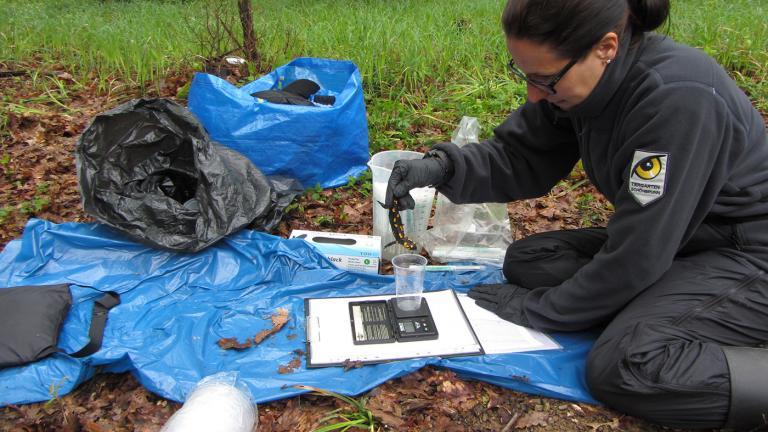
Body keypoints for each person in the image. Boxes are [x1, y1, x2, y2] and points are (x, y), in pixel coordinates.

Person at [384, 0, 768, 429]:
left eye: (545, 81)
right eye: (526, 77)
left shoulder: (677, 100)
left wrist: (542, 310)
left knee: (625, 365)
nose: (534, 94)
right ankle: (655, 309)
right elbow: (521, 153)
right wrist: (441, 168)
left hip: (748, 255)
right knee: (529, 261)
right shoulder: (584, 85)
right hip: (686, 238)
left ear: (605, 46)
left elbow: (638, 254)